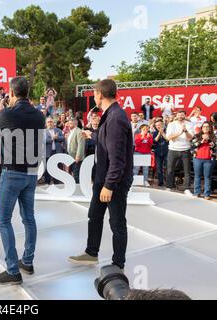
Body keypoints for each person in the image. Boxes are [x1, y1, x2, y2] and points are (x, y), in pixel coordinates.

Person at [69, 79, 133, 270]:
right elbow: (107, 140)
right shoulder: (110, 115)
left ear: (100, 95)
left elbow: (118, 158)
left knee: (117, 222)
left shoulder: (116, 118)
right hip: (103, 178)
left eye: (94, 94)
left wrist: (109, 185)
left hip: (114, 181)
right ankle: (91, 253)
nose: (94, 97)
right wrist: (93, 135)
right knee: (94, 216)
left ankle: (118, 263)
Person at [0, 76, 45, 285]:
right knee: (28, 218)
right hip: (31, 173)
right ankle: (27, 261)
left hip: (12, 173)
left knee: (3, 220)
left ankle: (13, 270)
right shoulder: (39, 115)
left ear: (12, 93)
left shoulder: (8, 113)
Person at [166, 110, 194, 195]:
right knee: (170, 170)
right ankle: (169, 186)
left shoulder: (189, 124)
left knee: (187, 171)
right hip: (173, 149)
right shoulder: (171, 124)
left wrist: (185, 131)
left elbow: (190, 138)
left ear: (185, 115)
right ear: (176, 115)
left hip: (185, 150)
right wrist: (180, 133)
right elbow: (169, 137)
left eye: (182, 115)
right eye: (179, 115)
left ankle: (187, 188)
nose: (180, 116)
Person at [191, 122, 215, 200]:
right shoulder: (197, 136)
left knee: (207, 177)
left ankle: (206, 193)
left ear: (210, 128)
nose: (205, 128)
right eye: (204, 126)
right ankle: (197, 192)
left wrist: (208, 140)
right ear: (201, 128)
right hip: (197, 159)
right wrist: (202, 140)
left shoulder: (214, 136)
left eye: (207, 126)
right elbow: (193, 145)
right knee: (197, 176)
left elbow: (215, 146)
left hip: (209, 160)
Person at [44, 117, 64, 184]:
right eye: (48, 122)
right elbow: (43, 141)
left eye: (51, 122)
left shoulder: (58, 130)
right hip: (48, 153)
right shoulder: (44, 131)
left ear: (53, 123)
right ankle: (48, 181)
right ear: (46, 124)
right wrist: (52, 139)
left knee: (58, 167)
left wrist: (57, 137)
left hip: (57, 152)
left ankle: (57, 181)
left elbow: (63, 138)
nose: (50, 123)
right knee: (47, 168)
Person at [66, 118, 85, 184]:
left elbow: (81, 145)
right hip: (70, 156)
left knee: (76, 174)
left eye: (70, 123)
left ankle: (78, 188)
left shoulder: (79, 131)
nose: (69, 125)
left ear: (75, 124)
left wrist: (78, 156)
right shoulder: (70, 132)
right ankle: (73, 187)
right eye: (69, 123)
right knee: (71, 172)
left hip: (76, 157)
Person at [152, 119, 169, 187]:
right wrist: (159, 133)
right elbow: (155, 141)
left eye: (159, 125)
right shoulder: (155, 133)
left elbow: (168, 139)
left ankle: (168, 182)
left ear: (163, 125)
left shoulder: (167, 131)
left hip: (166, 151)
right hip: (158, 152)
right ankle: (160, 182)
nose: (158, 126)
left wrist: (162, 133)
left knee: (168, 167)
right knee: (159, 168)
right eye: (156, 125)